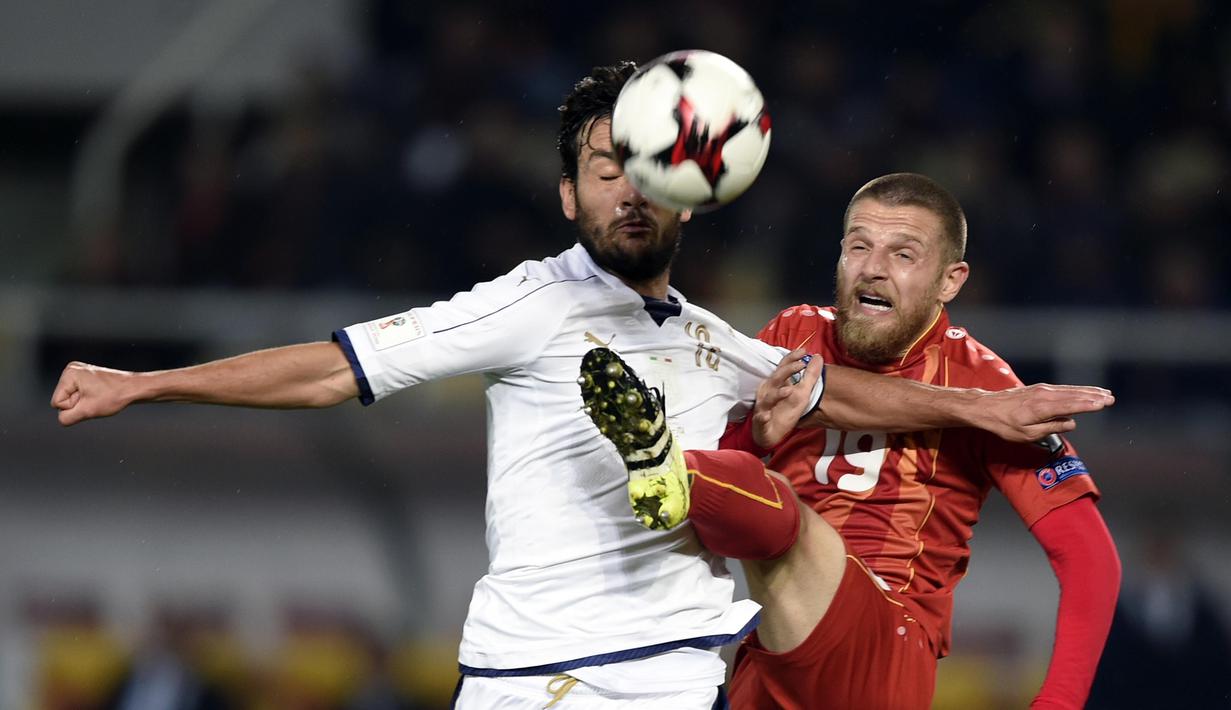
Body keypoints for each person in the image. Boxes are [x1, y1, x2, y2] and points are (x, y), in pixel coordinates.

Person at [51, 64, 1112, 709]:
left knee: (773, 505)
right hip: (532, 670)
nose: (626, 186)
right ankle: (673, 473)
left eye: (644, 164)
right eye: (602, 167)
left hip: (685, 671)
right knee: (770, 503)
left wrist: (980, 407)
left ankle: (671, 474)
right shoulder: (530, 301)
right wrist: (148, 383)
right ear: (567, 194)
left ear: (691, 188)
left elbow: (841, 394)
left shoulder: (717, 339)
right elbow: (338, 364)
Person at [585, 172, 1119, 709]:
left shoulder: (989, 389)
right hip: (776, 649)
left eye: (903, 254)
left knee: (777, 506)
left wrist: (1058, 703)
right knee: (754, 492)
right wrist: (753, 436)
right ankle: (665, 469)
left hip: (888, 647)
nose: (874, 267)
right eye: (859, 246)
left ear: (949, 280)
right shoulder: (794, 335)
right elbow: (720, 517)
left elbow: (1090, 556)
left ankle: (668, 463)